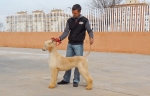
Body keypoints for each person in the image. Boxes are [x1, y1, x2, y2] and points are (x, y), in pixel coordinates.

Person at [56, 4, 94, 87]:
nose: (74, 14)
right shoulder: (70, 20)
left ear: (79, 12)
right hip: (70, 44)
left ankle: (76, 80)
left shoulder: (84, 20)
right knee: (67, 63)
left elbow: (89, 30)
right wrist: (59, 38)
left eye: (75, 13)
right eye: (73, 13)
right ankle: (66, 79)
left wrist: (91, 37)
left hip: (79, 45)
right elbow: (66, 32)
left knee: (78, 64)